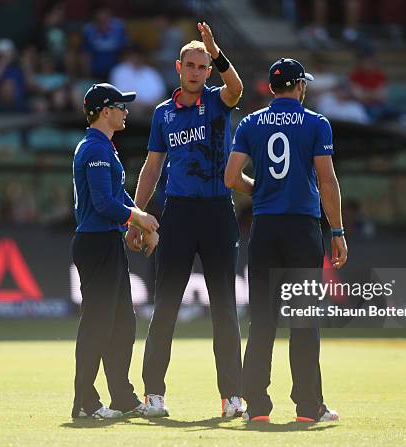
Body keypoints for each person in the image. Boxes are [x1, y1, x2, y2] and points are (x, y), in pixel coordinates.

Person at [126, 22, 245, 418]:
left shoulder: (217, 102)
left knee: (225, 308)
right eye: (190, 65)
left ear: (208, 70)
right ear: (178, 67)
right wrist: (137, 217)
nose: (196, 71)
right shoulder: (163, 114)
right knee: (165, 309)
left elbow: (238, 90)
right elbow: (152, 166)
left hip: (216, 213)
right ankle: (153, 395)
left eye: (202, 66)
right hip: (176, 215)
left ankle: (232, 396)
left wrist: (218, 51)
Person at [225, 58, 346, 423]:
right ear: (299, 86)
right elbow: (326, 182)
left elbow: (231, 177)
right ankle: (308, 409)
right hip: (301, 230)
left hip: (264, 228)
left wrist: (258, 188)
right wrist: (337, 230)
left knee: (262, 321)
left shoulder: (250, 122)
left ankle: (256, 408)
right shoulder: (315, 123)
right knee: (304, 321)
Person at [70, 83, 159, 419]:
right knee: (97, 322)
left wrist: (138, 224)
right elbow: (104, 203)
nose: (125, 111)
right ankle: (85, 403)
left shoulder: (104, 147)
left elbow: (118, 198)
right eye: (121, 106)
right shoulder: (94, 149)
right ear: (105, 111)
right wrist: (141, 219)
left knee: (122, 322)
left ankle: (122, 396)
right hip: (96, 244)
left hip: (107, 242)